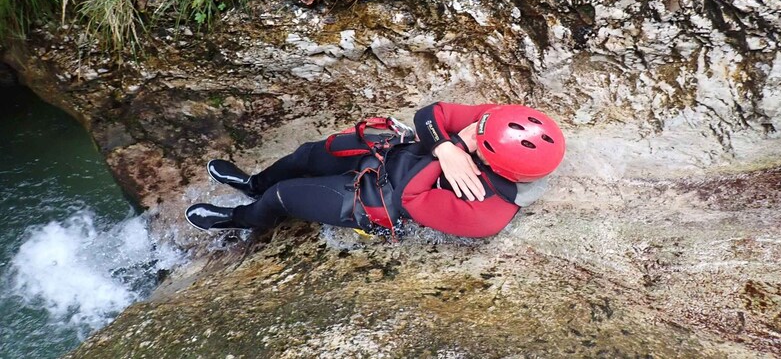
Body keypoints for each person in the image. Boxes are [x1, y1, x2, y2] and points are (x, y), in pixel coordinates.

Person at [185, 102, 566, 238]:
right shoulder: (500, 122)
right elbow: (431, 114)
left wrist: (455, 147)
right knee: (306, 156)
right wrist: (447, 146)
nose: (476, 125)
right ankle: (254, 183)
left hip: (379, 201)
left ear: (492, 162)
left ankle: (245, 218)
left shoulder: (488, 213)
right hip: (395, 154)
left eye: (478, 140)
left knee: (282, 197)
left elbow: (412, 198)